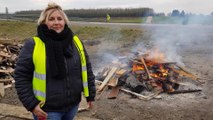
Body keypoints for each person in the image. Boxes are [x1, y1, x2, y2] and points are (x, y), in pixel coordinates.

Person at [15, 2, 96, 120]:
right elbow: (21, 76)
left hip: (73, 105)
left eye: (60, 18)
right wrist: (32, 104)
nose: (56, 22)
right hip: (47, 110)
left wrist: (90, 95)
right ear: (44, 22)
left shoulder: (75, 42)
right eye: (51, 19)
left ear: (65, 21)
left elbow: (86, 69)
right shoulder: (33, 44)